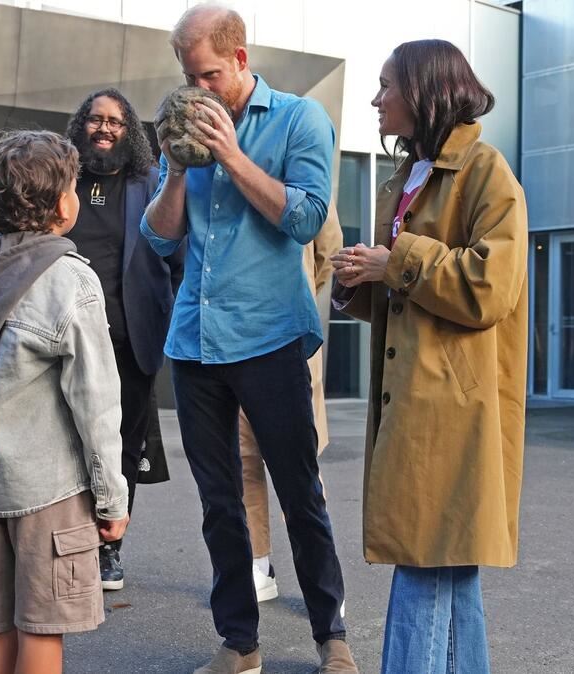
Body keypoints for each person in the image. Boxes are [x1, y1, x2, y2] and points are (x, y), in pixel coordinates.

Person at [141, 5, 357, 673]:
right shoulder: (186, 126)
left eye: (208, 74)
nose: (197, 89)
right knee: (219, 506)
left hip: (268, 335)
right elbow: (157, 236)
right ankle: (240, 642)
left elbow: (305, 218)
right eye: (187, 76)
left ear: (240, 59)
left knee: (300, 493)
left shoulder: (297, 120)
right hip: (196, 341)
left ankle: (331, 635)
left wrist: (230, 154)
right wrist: (179, 168)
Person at [331, 39, 528, 674]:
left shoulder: (485, 171)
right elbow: (408, 293)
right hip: (419, 401)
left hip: (453, 409)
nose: (376, 99)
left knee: (425, 566)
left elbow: (491, 287)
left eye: (386, 85)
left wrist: (398, 262)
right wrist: (361, 282)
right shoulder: (411, 177)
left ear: (424, 91)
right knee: (449, 571)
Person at [0, 130, 131, 674]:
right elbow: (97, 406)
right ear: (62, 203)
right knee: (43, 633)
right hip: (49, 491)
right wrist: (112, 500)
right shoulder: (69, 281)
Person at [63, 88, 182, 591]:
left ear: (129, 130)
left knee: (122, 446)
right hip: (66, 339)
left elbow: (175, 259)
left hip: (130, 338)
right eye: (95, 119)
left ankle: (110, 548)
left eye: (115, 121)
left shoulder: (151, 183)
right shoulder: (62, 179)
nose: (104, 128)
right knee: (68, 442)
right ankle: (69, 540)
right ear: (81, 125)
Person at [239, 207, 342, 604]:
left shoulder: (301, 159)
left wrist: (296, 289)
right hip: (236, 333)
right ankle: (258, 563)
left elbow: (328, 249)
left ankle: (322, 574)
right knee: (243, 456)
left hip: (289, 333)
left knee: (300, 465)